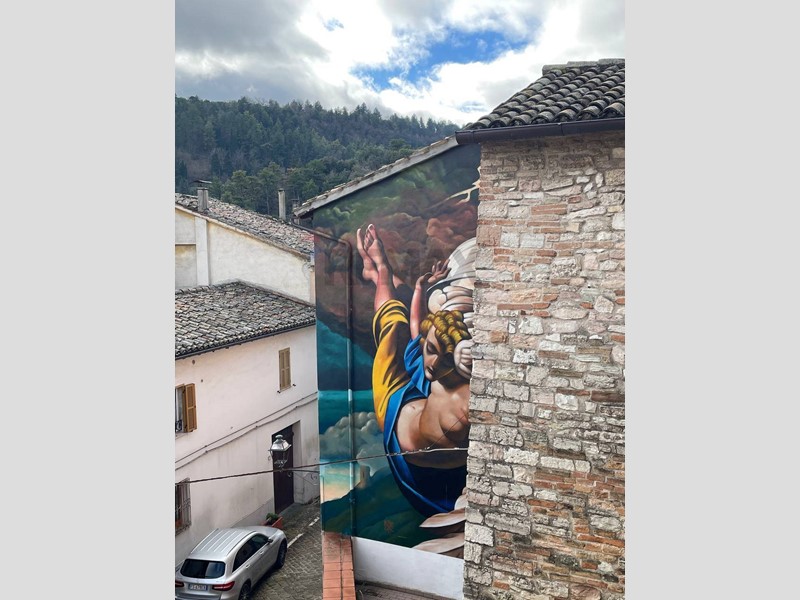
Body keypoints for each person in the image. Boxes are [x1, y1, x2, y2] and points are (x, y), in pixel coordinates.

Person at [356, 224, 474, 516]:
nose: (430, 362)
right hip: (420, 397)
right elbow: (418, 329)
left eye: (438, 355)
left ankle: (381, 271)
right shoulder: (438, 366)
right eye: (429, 350)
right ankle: (378, 271)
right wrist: (421, 289)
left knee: (392, 324)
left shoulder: (461, 398)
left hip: (395, 411)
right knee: (408, 321)